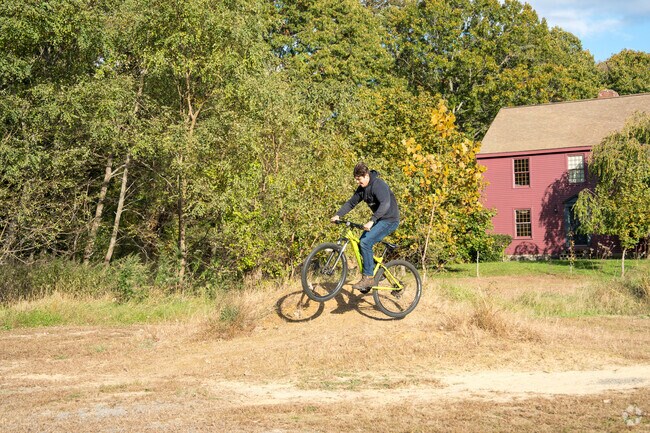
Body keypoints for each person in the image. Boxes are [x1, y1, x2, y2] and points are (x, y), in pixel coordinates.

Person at [331, 162, 400, 293]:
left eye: (359, 179)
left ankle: (368, 277)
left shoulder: (378, 185)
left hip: (390, 220)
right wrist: (338, 215)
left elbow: (385, 204)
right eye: (356, 179)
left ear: (366, 175)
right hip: (380, 220)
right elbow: (351, 203)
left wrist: (372, 221)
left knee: (365, 242)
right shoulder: (362, 189)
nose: (357, 182)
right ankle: (378, 272)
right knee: (360, 244)